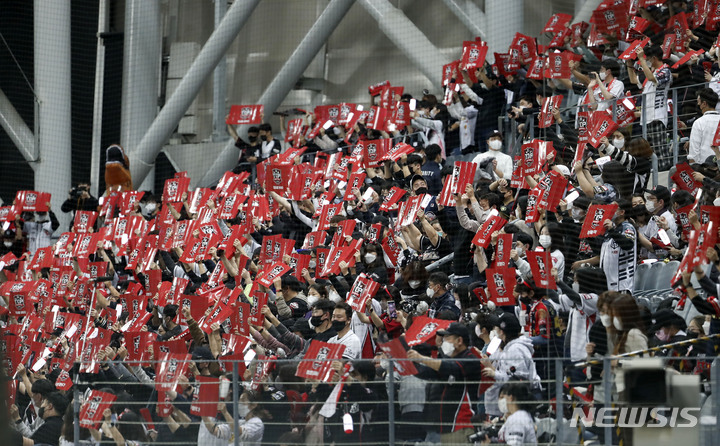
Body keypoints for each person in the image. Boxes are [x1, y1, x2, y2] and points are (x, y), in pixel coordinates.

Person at [407, 322, 481, 444]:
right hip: (446, 428)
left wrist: (420, 358)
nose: (443, 341)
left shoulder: (470, 359)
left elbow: (450, 367)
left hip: (462, 426)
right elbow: (426, 372)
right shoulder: (449, 361)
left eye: (447, 338)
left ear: (459, 341)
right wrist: (405, 361)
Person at [627, 45, 673, 170]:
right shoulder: (650, 72)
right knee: (649, 149)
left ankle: (664, 171)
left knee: (660, 148)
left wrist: (641, 59)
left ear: (653, 58)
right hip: (646, 117)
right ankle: (655, 170)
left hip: (658, 115)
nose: (645, 61)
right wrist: (629, 64)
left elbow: (653, 79)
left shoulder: (665, 71)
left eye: (647, 59)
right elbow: (632, 80)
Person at [688, 87, 720, 164]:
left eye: (699, 102)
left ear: (704, 104)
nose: (698, 105)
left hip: (705, 169)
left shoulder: (698, 123)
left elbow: (693, 154)